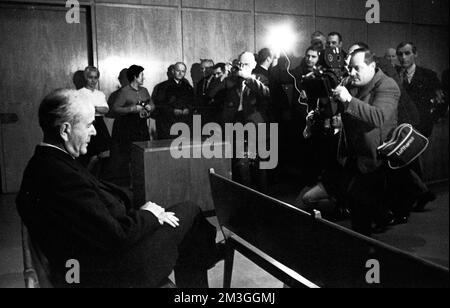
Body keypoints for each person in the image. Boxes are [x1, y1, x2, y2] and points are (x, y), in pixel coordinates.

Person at [17, 89, 219, 288]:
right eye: (89, 125)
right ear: (65, 130)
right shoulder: (59, 174)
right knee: (190, 212)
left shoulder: (47, 163)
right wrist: (148, 214)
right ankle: (209, 256)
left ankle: (205, 254)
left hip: (95, 259)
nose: (95, 131)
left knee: (184, 224)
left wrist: (144, 211)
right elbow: (117, 236)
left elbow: (96, 206)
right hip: (111, 272)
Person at [332, 48, 400, 236]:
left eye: (357, 68)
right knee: (350, 197)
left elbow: (378, 117)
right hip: (353, 152)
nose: (352, 73)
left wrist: (348, 99)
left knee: (358, 205)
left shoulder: (387, 85)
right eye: (350, 68)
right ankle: (381, 216)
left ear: (372, 65)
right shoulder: (352, 82)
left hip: (374, 156)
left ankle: (363, 249)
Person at [110, 65, 155, 186]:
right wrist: (132, 108)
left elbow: (152, 104)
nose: (143, 78)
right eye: (141, 75)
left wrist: (150, 107)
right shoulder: (124, 91)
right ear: (135, 77)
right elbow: (115, 109)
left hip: (142, 125)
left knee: (143, 151)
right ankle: (131, 183)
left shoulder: (144, 90)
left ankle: (143, 180)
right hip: (128, 126)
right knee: (130, 155)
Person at [77, 66, 111, 174]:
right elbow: (79, 110)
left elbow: (106, 110)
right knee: (90, 155)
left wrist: (93, 107)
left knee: (105, 153)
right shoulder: (79, 93)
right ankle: (86, 178)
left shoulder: (100, 94)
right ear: (85, 78)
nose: (93, 80)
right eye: (90, 77)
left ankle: (98, 181)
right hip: (86, 123)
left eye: (95, 77)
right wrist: (97, 108)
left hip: (100, 123)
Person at [152, 62, 195, 140]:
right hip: (168, 124)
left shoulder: (188, 87)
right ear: (173, 71)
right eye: (178, 70)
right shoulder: (163, 86)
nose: (180, 73)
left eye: (183, 71)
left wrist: (188, 109)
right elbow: (158, 104)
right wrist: (172, 111)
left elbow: (193, 102)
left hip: (184, 123)